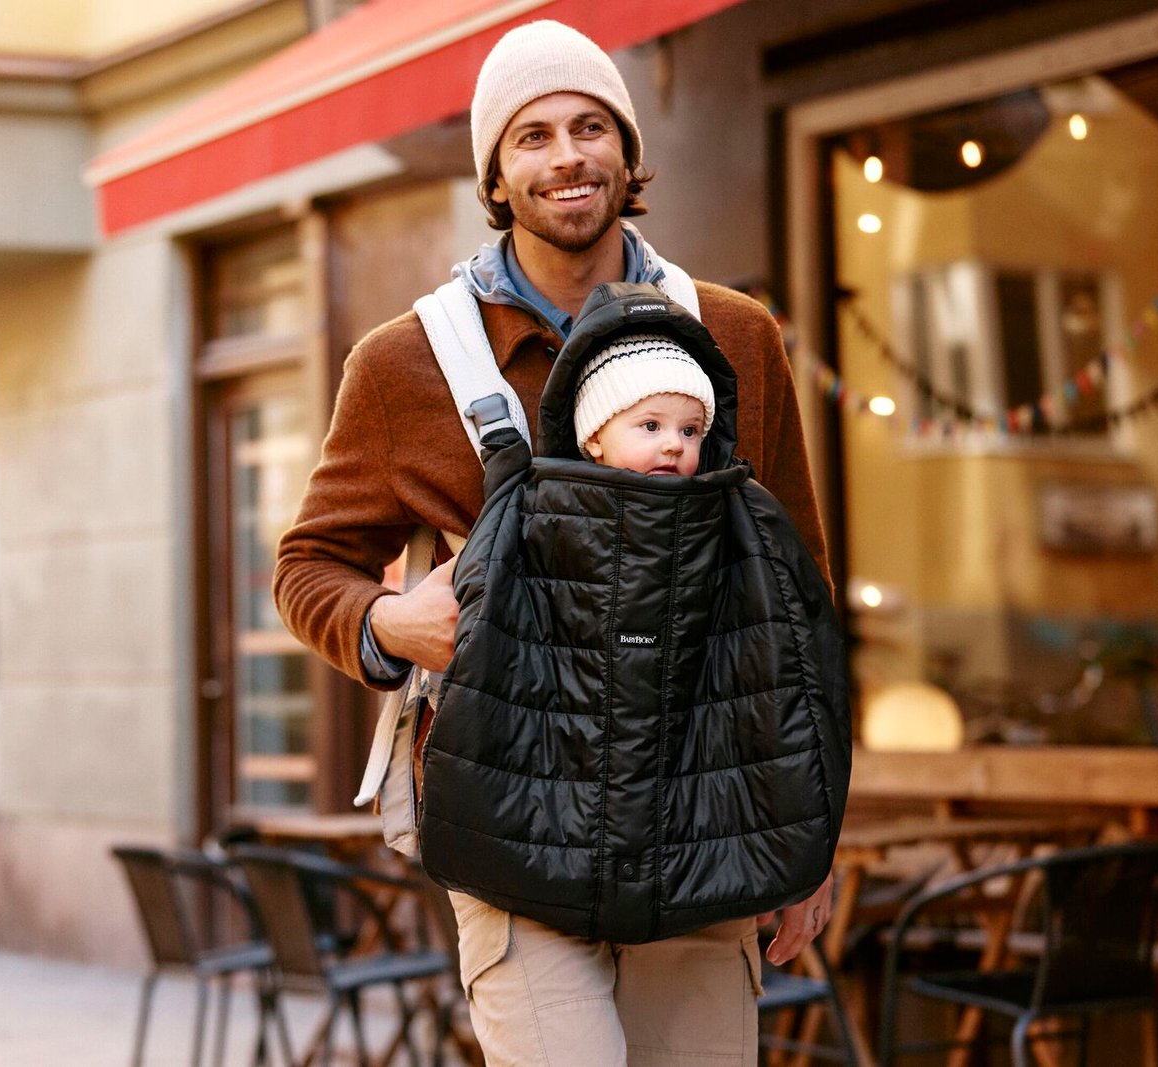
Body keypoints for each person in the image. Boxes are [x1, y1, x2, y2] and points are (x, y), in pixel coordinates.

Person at [273, 19, 837, 1065]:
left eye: (589, 126)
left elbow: (797, 600)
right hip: (510, 826)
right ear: (494, 173)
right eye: (529, 137)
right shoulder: (405, 363)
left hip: (704, 816)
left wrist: (810, 837)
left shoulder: (737, 337)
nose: (565, 156)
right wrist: (389, 619)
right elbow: (306, 567)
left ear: (627, 153)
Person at [574, 331, 716, 476]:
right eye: (651, 426)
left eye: (689, 431)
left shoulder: (723, 495)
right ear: (595, 439)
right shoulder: (565, 498)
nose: (676, 445)